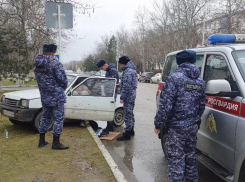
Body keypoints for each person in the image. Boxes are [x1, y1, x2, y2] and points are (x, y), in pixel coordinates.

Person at [154, 50, 206, 182]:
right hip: (192, 127)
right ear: (194, 61)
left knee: (176, 162)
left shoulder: (174, 78)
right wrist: (194, 120)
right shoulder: (200, 81)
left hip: (176, 128)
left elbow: (165, 105)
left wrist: (158, 125)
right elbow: (201, 106)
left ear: (178, 62)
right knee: (190, 159)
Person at [35, 44, 69, 150]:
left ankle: (41, 141)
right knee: (58, 119)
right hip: (57, 96)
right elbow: (63, 80)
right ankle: (56, 143)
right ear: (53, 53)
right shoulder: (55, 63)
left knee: (45, 117)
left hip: (44, 96)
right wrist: (63, 88)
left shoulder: (38, 65)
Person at [117, 56, 138, 141]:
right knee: (130, 114)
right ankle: (131, 130)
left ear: (123, 63)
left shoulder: (128, 72)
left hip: (128, 97)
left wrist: (122, 97)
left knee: (128, 115)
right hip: (131, 96)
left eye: (120, 64)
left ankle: (127, 133)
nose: (120, 66)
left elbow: (126, 86)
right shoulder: (132, 70)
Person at [96, 59, 119, 136]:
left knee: (109, 110)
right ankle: (109, 127)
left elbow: (112, 83)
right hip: (108, 94)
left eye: (102, 68)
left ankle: (110, 127)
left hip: (111, 94)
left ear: (105, 65)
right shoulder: (109, 71)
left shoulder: (112, 71)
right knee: (108, 109)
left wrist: (103, 83)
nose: (102, 70)